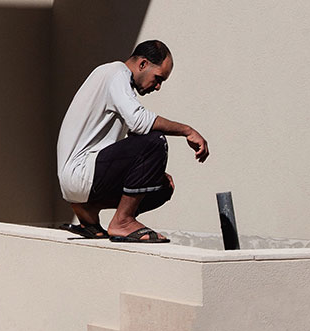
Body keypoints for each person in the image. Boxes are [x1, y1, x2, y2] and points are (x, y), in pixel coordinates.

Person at [56, 39, 209, 243]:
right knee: (156, 142)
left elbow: (134, 138)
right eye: (158, 78)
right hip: (82, 171)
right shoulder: (117, 73)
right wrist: (187, 131)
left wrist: (152, 172)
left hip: (78, 180)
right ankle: (123, 221)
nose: (158, 87)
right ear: (143, 64)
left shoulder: (114, 80)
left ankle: (89, 212)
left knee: (162, 186)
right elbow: (139, 122)